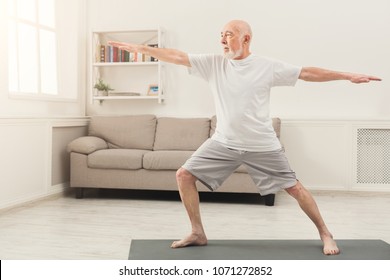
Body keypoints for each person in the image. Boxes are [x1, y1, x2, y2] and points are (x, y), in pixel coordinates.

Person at [109, 20, 381, 255]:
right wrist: (145, 49)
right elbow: (179, 57)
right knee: (184, 175)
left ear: (245, 38)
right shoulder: (213, 64)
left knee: (295, 188)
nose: (222, 40)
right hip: (223, 141)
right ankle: (197, 233)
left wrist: (346, 76)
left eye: (228, 34)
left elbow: (306, 72)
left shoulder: (266, 66)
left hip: (262, 144)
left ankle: (325, 232)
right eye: (221, 35)